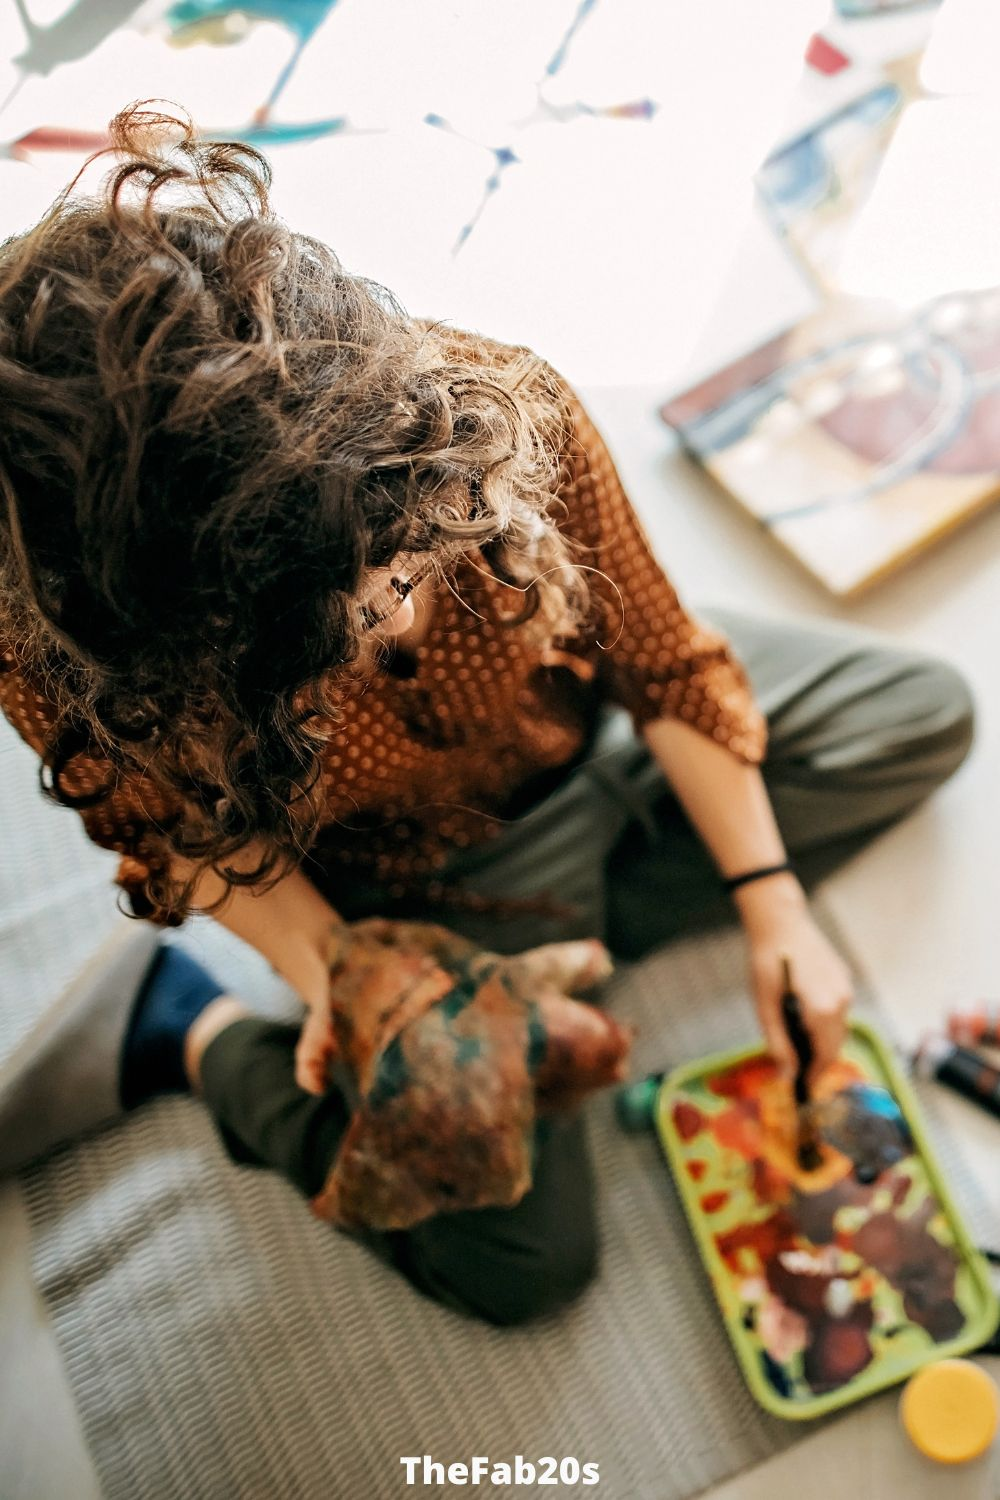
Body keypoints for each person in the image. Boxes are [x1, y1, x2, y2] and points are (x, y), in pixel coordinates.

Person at [0, 104, 974, 1323]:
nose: (403, 626)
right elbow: (191, 838)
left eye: (408, 564)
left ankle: (560, 932)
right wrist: (342, 971)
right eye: (344, 636)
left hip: (586, 724)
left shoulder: (487, 403)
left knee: (921, 712)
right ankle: (183, 1032)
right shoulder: (58, 651)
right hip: (407, 876)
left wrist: (773, 906)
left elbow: (660, 655)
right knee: (521, 1267)